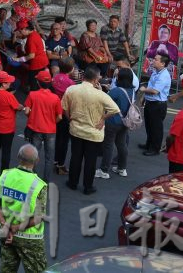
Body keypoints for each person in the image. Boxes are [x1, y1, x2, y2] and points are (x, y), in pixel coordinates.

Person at [62, 65, 120, 195]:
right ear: (95, 80)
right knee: (91, 160)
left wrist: (70, 118)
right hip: (93, 133)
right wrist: (103, 119)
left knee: (75, 157)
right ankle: (88, 187)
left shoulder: (71, 89)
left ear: (83, 76)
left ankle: (72, 182)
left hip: (76, 129)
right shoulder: (100, 95)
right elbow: (115, 109)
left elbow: (64, 107)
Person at [0, 144, 49, 273]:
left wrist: (5, 224)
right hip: (30, 237)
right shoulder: (39, 185)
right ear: (37, 161)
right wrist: (16, 228)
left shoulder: (5, 176)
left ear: (18, 157)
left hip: (5, 232)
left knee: (7, 269)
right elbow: (38, 217)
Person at [23, 69, 62, 182]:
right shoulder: (55, 98)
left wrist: (33, 116)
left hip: (36, 129)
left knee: (34, 155)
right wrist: (51, 122)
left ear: (38, 83)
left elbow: (26, 111)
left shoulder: (32, 95)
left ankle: (32, 179)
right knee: (49, 158)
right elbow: (59, 117)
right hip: (50, 131)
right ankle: (46, 181)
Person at [98, 67, 134, 180]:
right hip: (125, 122)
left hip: (112, 121)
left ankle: (104, 170)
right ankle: (122, 168)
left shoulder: (117, 91)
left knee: (108, 145)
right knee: (122, 144)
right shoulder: (131, 91)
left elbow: (104, 100)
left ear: (120, 78)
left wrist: (100, 90)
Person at [138, 52, 172, 155]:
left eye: (156, 60)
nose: (153, 61)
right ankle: (149, 144)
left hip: (158, 105)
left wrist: (143, 90)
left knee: (156, 127)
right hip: (151, 102)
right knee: (149, 125)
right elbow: (150, 85)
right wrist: (144, 97)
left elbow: (155, 91)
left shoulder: (164, 75)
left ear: (162, 63)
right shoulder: (155, 71)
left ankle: (155, 148)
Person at [0, 71, 20, 178]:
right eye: (8, 82)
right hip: (6, 127)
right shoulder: (8, 96)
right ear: (3, 84)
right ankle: (4, 173)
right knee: (6, 150)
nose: (10, 83)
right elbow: (17, 107)